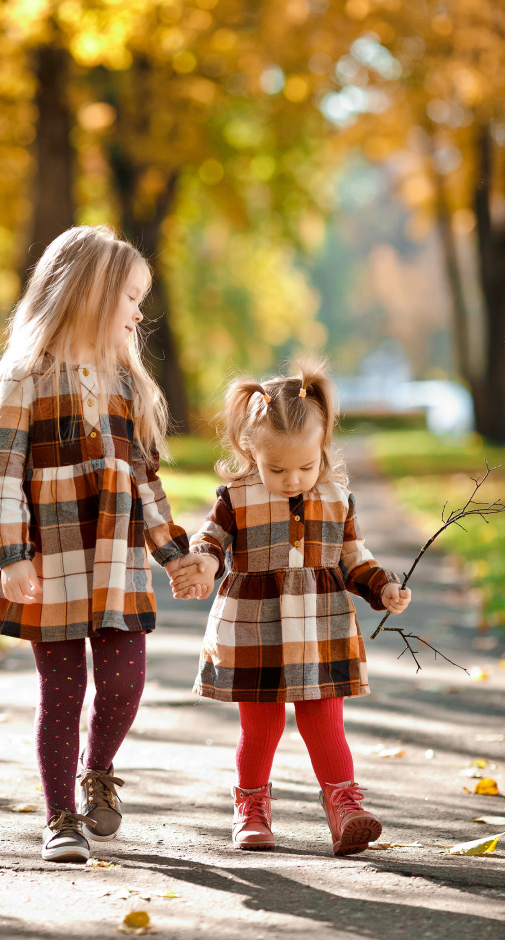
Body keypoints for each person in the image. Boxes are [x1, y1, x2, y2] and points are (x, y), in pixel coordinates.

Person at [0, 225, 204, 864]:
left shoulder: (126, 386)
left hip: (113, 563)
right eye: (131, 298)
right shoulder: (24, 378)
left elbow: (144, 480)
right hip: (47, 559)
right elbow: (2, 477)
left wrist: (174, 553)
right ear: (90, 296)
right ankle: (60, 819)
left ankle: (97, 768)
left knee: (126, 680)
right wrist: (12, 557)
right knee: (63, 689)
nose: (139, 312)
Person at [169, 356, 411, 857]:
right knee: (262, 725)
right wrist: (205, 566)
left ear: (323, 449)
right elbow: (210, 541)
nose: (294, 478)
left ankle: (345, 806)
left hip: (321, 627)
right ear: (249, 452)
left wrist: (383, 588)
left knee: (325, 719)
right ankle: (251, 807)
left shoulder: (338, 498)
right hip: (254, 627)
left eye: (306, 465)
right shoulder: (235, 497)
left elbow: (353, 559)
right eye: (277, 468)